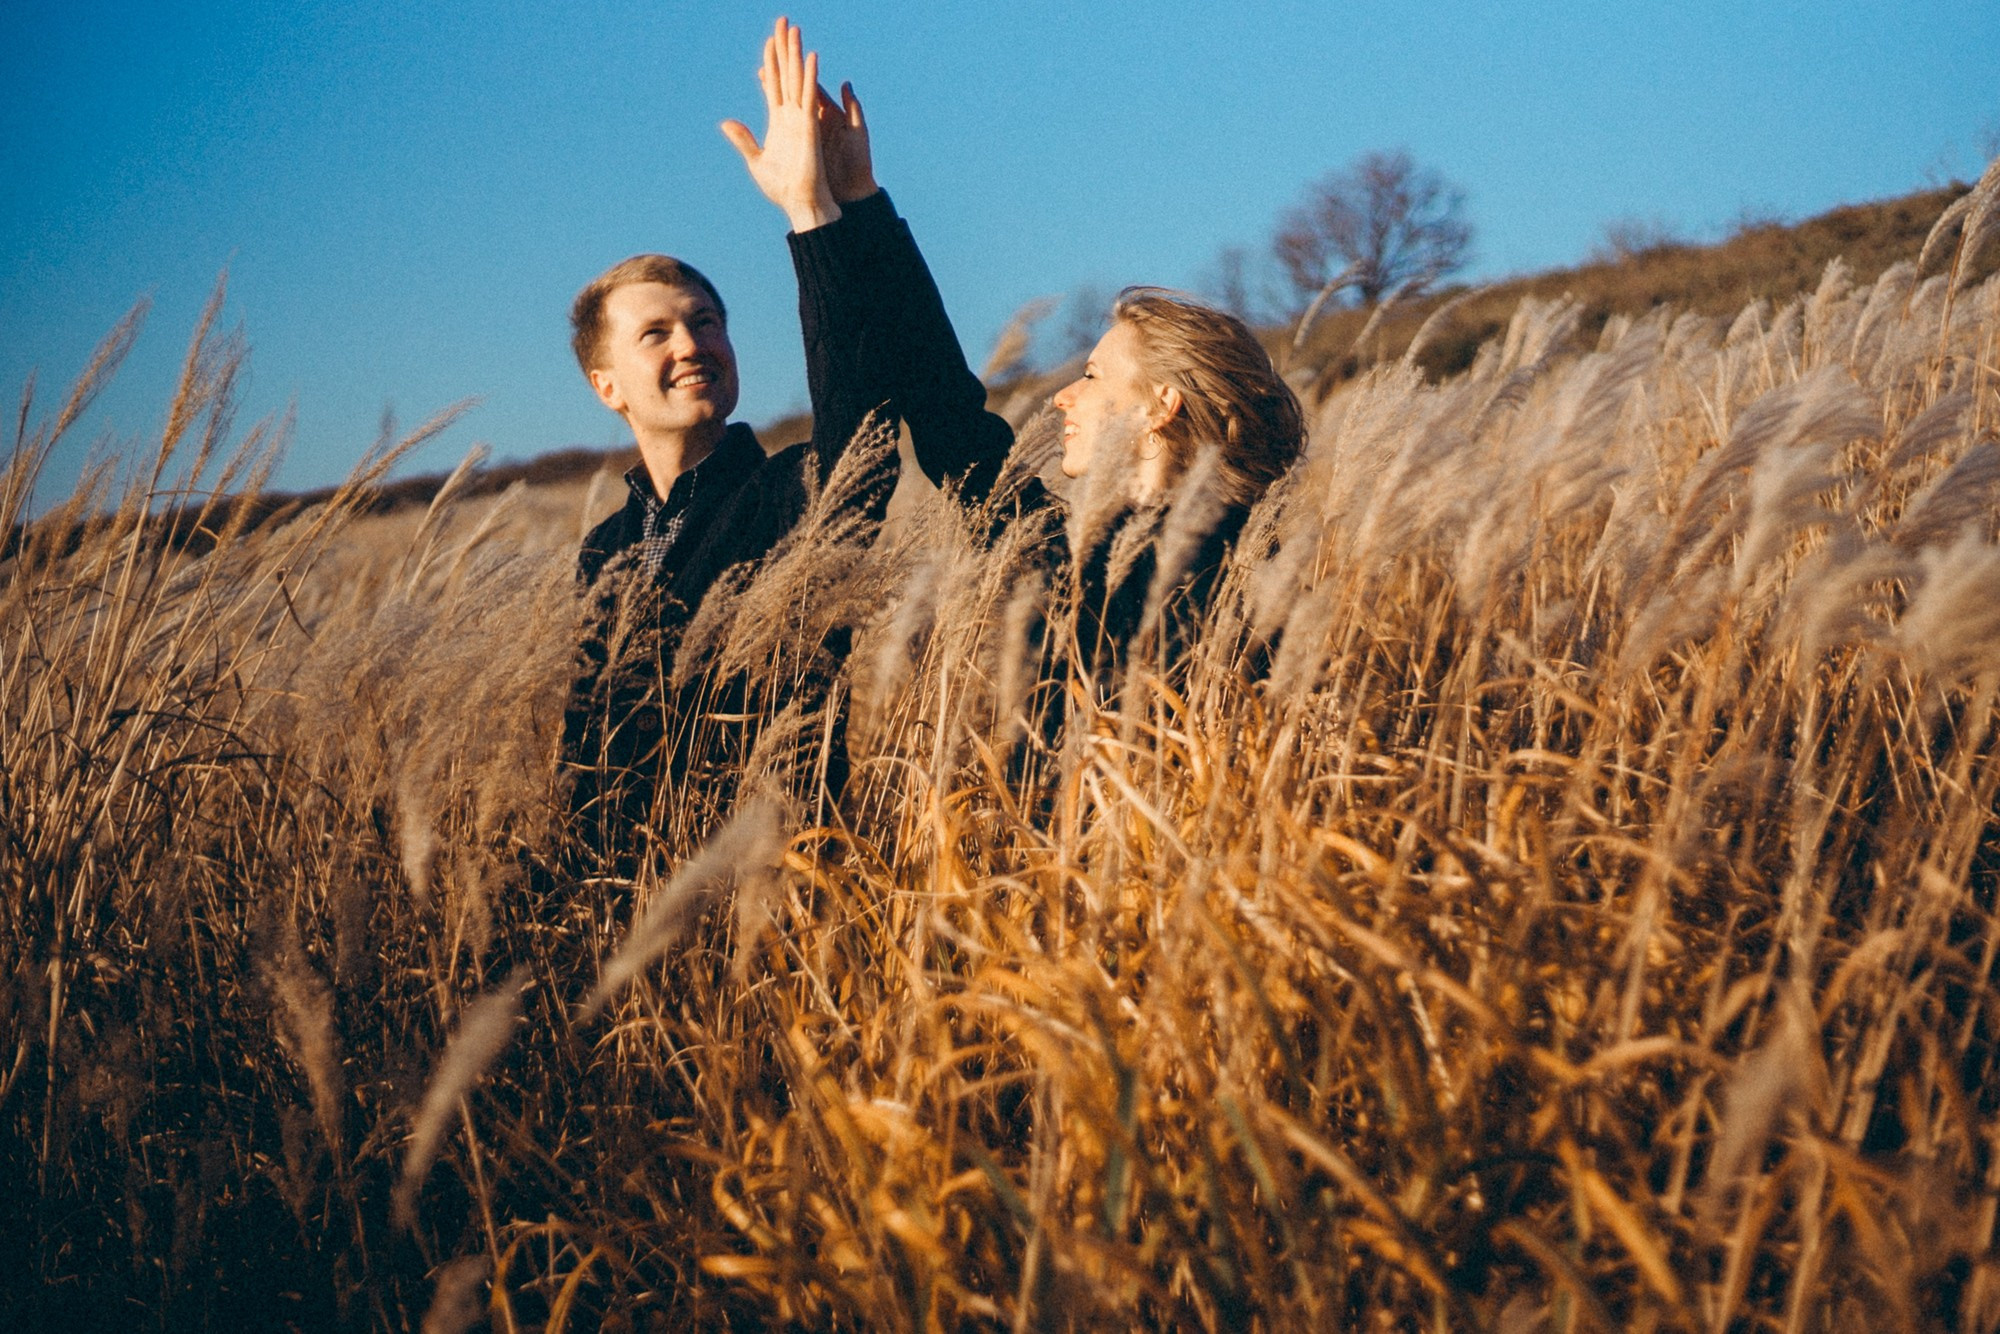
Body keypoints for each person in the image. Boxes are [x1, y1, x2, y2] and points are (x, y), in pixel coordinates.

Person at [561, 18, 1012, 856]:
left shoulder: (796, 491)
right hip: (628, 923)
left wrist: (821, 211)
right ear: (607, 385)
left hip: (785, 894)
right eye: (655, 333)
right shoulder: (606, 550)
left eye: (705, 322)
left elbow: (866, 397)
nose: (692, 344)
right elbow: (581, 761)